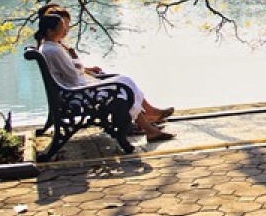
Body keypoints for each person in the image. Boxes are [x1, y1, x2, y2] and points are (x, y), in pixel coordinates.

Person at [34, 10, 175, 142]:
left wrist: (78, 66)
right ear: (50, 32)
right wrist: (77, 62)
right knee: (123, 86)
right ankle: (149, 126)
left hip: (70, 90)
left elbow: (71, 72)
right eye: (62, 27)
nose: (65, 30)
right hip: (75, 94)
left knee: (125, 82)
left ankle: (149, 126)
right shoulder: (53, 50)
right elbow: (72, 76)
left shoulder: (50, 47)